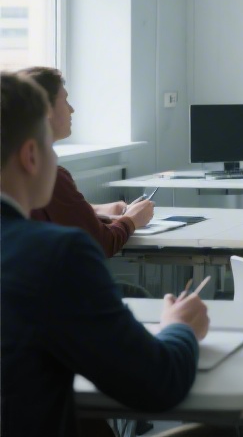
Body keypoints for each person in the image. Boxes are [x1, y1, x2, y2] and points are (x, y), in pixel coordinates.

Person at [0, 72, 209, 437]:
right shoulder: (56, 255)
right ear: (31, 156)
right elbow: (157, 383)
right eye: (48, 146)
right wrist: (180, 328)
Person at [19, 66, 155, 254]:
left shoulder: (14, 171)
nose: (72, 109)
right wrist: (132, 220)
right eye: (65, 100)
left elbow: (49, 211)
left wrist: (99, 209)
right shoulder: (49, 177)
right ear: (46, 109)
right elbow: (102, 244)